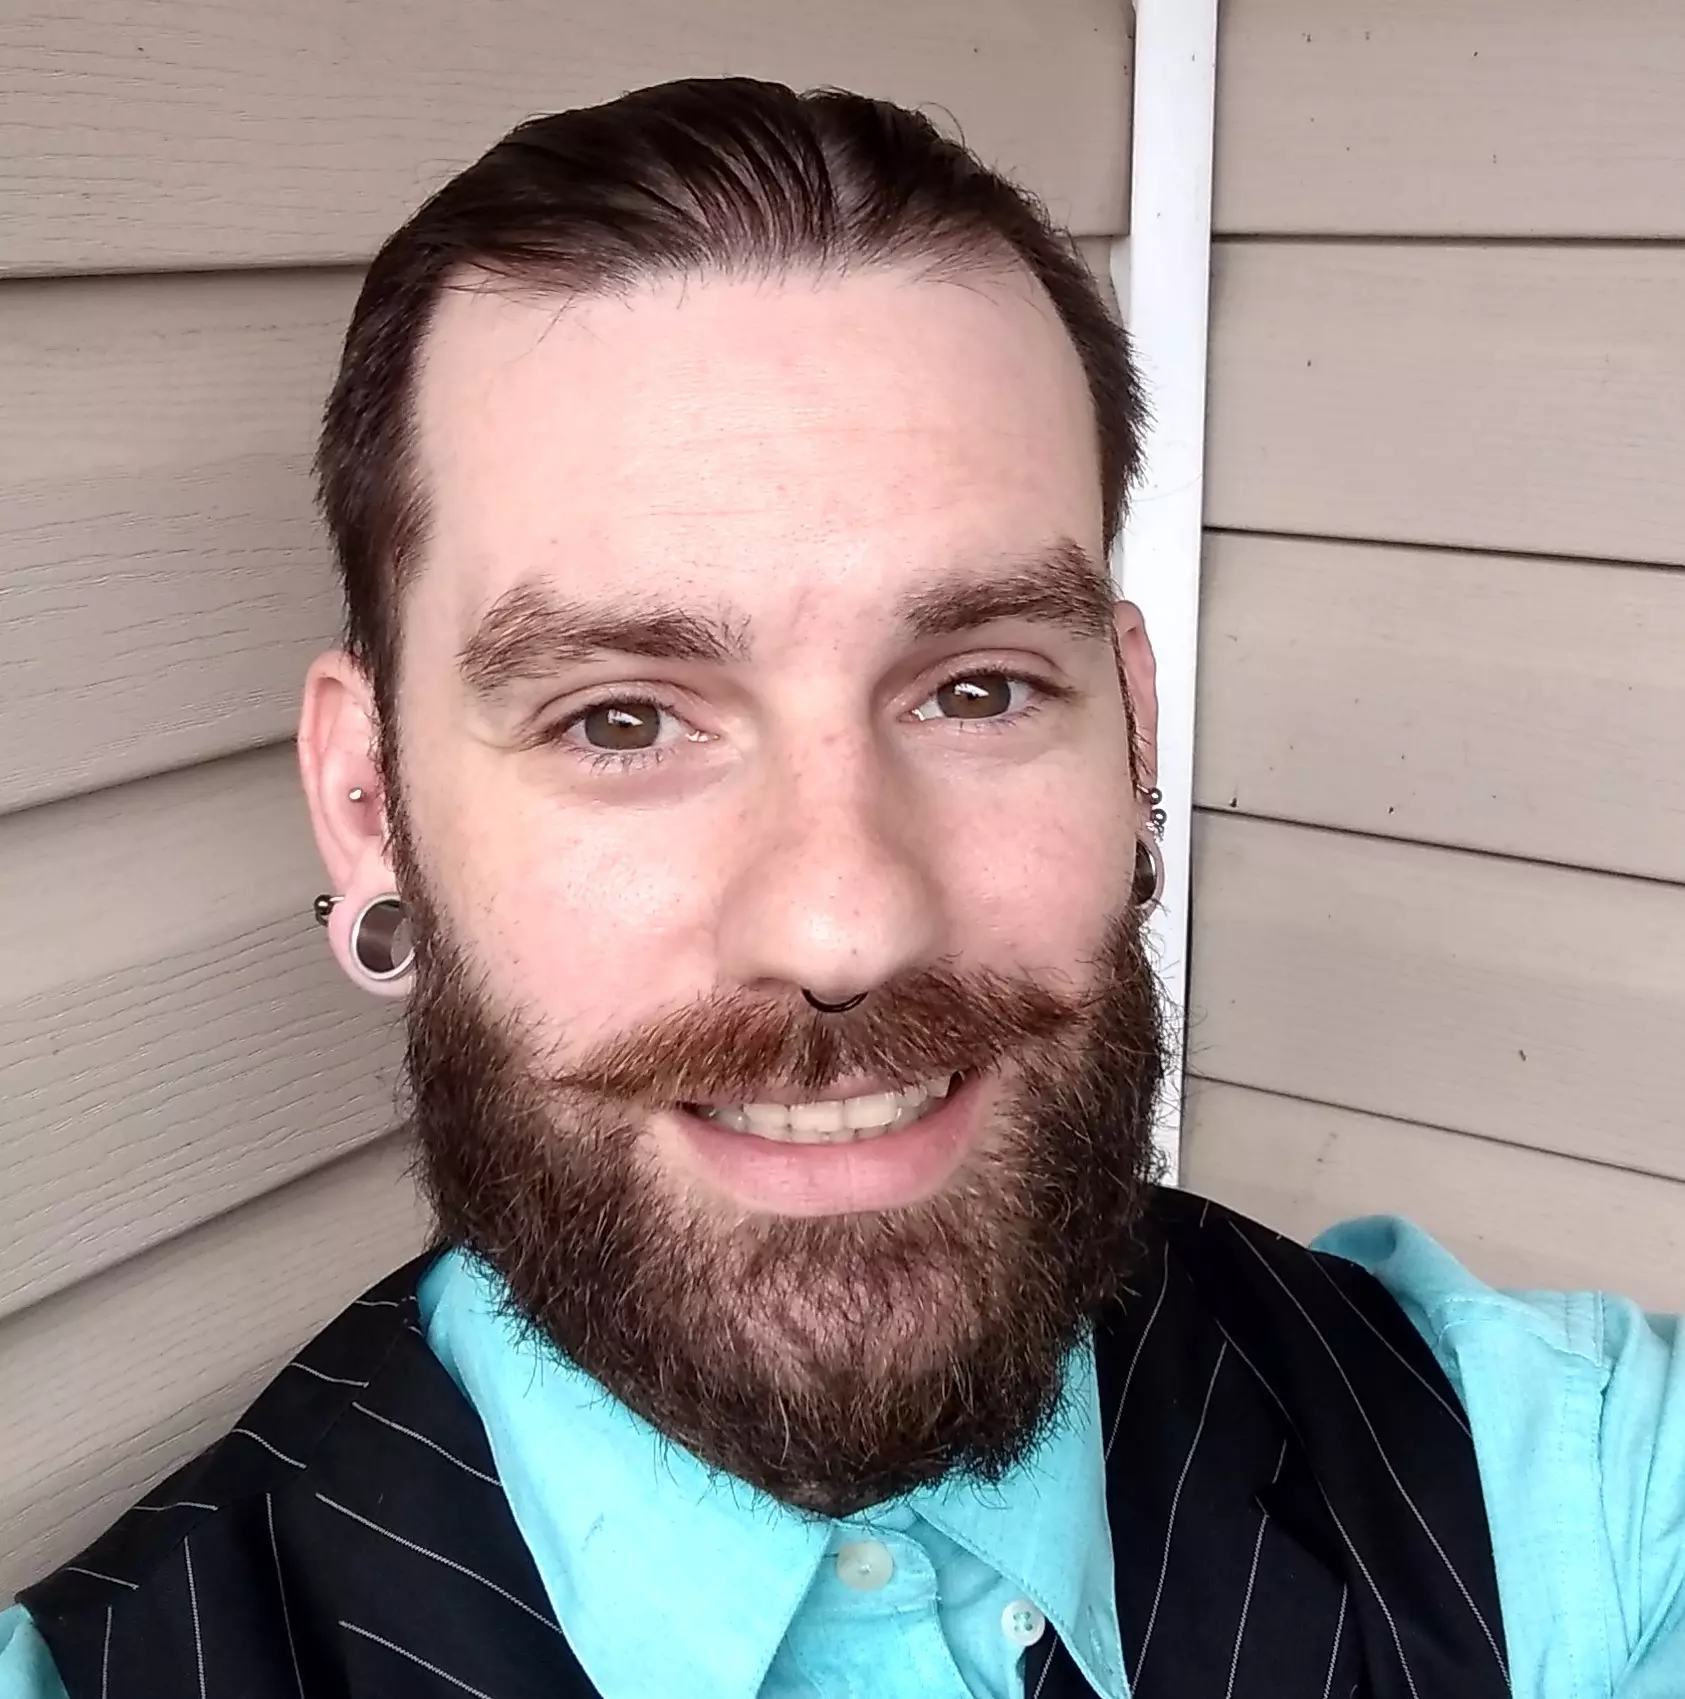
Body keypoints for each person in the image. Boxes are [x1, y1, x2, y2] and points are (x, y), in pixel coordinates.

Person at [3, 77, 1681, 1699]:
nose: (843, 925)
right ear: (372, 806)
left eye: (978, 689)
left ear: (1134, 736)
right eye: (624, 718)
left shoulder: (1578, 1505)